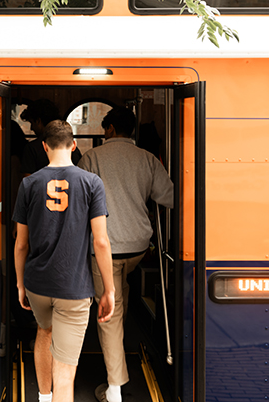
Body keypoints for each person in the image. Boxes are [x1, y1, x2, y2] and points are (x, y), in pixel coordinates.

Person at [13, 120, 115, 402]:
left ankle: (44, 398)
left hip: (37, 284)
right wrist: (109, 289)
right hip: (74, 287)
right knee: (65, 376)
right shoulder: (91, 182)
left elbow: (21, 243)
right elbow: (101, 241)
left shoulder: (28, 183)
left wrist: (20, 284)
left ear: (44, 147)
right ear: (74, 145)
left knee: (44, 332)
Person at [77, 107, 174, 402]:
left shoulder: (91, 158)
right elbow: (167, 197)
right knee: (120, 296)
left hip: (106, 247)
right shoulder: (147, 159)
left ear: (108, 129)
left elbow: (78, 202)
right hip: (138, 245)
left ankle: (115, 389)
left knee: (110, 313)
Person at [20, 99, 82, 175]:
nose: (31, 128)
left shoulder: (32, 148)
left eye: (31, 123)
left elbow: (28, 181)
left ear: (38, 121)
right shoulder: (71, 147)